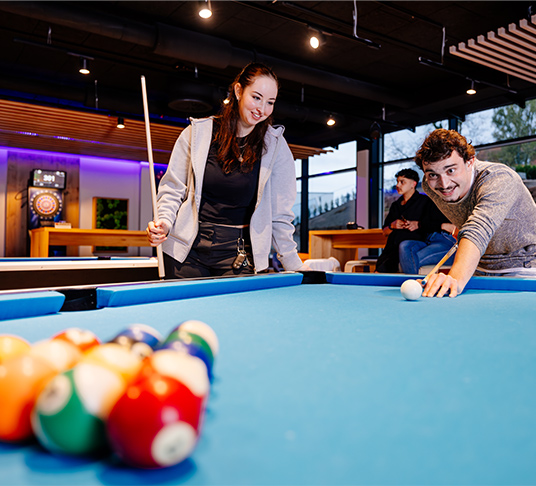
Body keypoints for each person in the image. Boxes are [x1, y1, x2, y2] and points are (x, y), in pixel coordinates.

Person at [146, 62, 305, 278]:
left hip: (239, 252)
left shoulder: (276, 146)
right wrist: (164, 222)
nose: (262, 109)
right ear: (239, 91)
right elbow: (173, 189)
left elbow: (280, 215)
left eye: (270, 102)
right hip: (187, 249)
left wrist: (294, 264)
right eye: (256, 97)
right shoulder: (197, 133)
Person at [414, 128, 536, 298]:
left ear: (470, 161)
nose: (444, 184)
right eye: (433, 174)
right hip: (480, 268)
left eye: (450, 170)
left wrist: (454, 278)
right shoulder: (430, 186)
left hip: (523, 266)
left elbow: (479, 227)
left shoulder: (499, 178)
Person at [376, 168, 436, 273]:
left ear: (413, 184)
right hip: (391, 249)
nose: (398, 185)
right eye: (397, 182)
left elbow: (434, 224)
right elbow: (385, 232)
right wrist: (392, 226)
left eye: (402, 182)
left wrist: (418, 224)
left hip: (413, 245)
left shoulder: (425, 202)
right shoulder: (395, 205)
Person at [398, 204, 457, 275]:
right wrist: (441, 225)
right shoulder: (432, 201)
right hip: (429, 239)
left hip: (446, 240)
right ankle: (413, 284)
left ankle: (413, 285)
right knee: (404, 245)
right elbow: (425, 224)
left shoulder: (457, 201)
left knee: (411, 260)